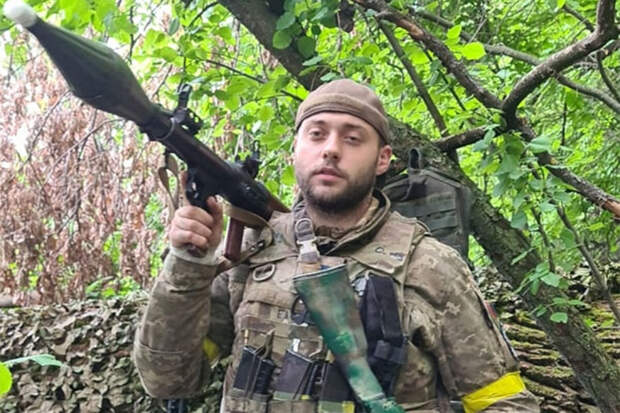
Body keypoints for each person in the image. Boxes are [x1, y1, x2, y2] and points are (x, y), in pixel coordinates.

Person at [133, 79, 540, 412]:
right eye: (317, 134)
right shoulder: (253, 251)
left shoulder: (430, 265)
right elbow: (168, 379)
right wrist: (188, 262)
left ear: (382, 159)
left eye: (352, 138)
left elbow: (503, 402)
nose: (330, 149)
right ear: (295, 150)